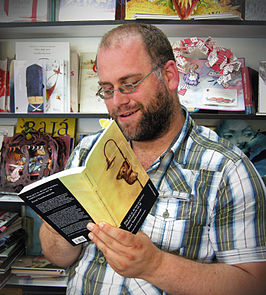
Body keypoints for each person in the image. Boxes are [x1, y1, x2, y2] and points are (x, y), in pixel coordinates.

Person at [39, 23, 266, 295]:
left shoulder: (228, 169)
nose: (117, 102)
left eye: (130, 84)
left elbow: (253, 285)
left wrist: (155, 265)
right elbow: (58, 257)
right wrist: (60, 225)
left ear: (169, 76)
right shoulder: (86, 152)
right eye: (107, 89)